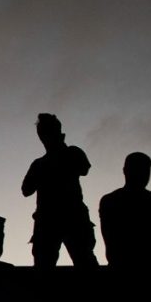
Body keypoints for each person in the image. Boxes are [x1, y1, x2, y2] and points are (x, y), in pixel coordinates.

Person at [21, 113, 98, 267]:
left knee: (85, 262)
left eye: (45, 132)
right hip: (50, 221)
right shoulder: (40, 164)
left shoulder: (71, 153)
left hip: (70, 218)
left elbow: (84, 168)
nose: (43, 137)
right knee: (45, 265)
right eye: (42, 133)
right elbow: (26, 190)